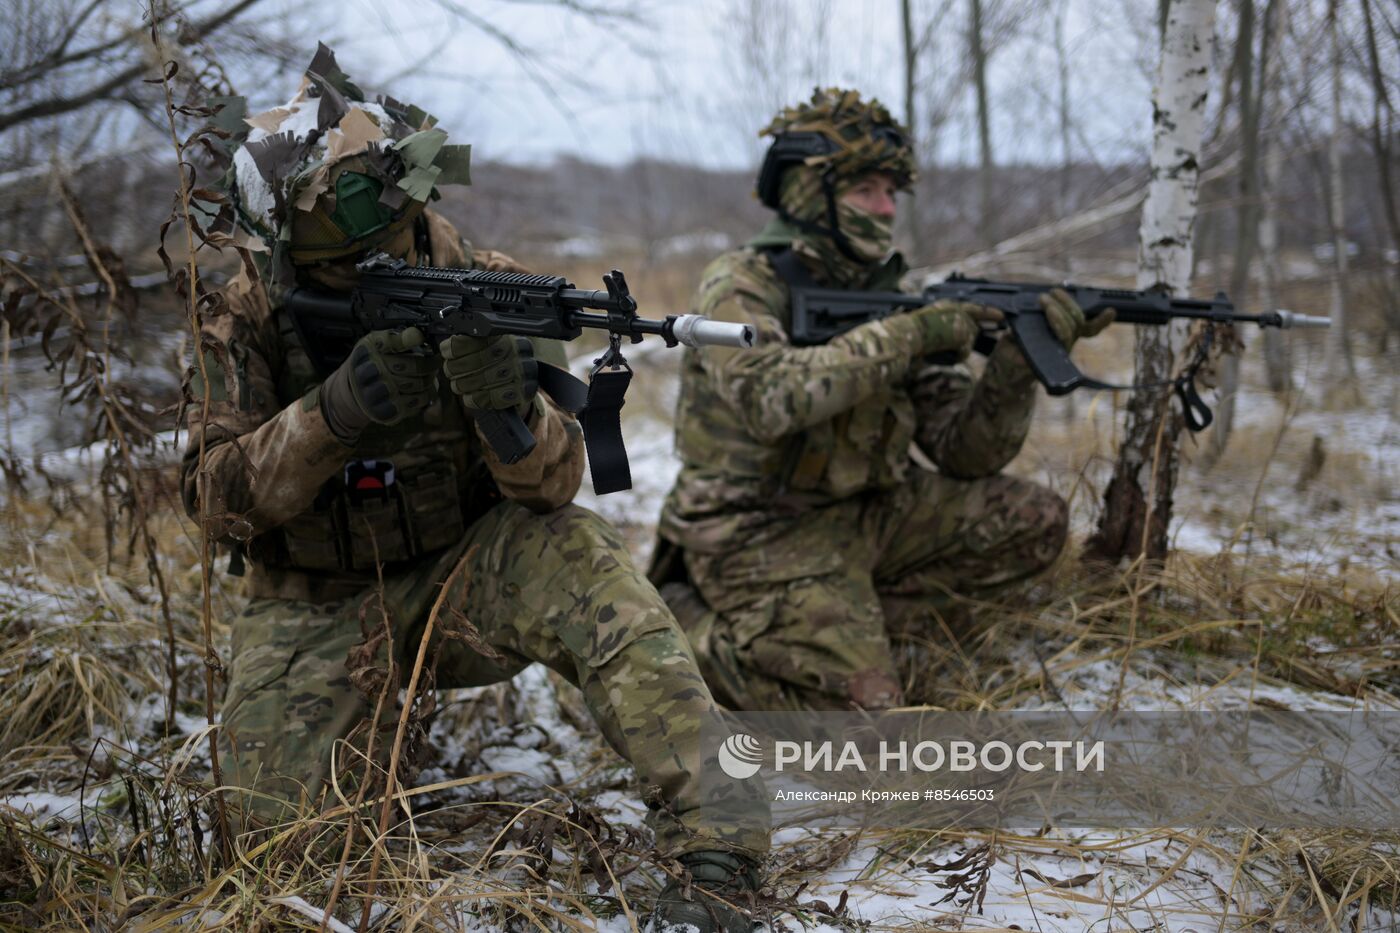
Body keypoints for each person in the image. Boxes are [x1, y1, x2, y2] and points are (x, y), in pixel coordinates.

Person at [181, 46, 764, 933]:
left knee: (587, 557)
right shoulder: (247, 313)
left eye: (387, 248)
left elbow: (558, 488)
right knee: (279, 856)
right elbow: (211, 501)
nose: (372, 270)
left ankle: (719, 849)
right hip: (316, 603)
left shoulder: (489, 286)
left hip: (467, 576)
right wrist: (332, 415)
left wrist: (504, 411)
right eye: (343, 266)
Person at [650, 88, 1111, 712]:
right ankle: (685, 632)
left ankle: (848, 619)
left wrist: (1014, 363)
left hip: (868, 512)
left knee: (1033, 521)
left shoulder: (893, 293)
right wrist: (911, 334)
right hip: (755, 526)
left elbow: (964, 454)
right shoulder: (741, 283)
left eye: (893, 193)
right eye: (866, 190)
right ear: (811, 194)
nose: (886, 208)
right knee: (858, 713)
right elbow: (770, 398)